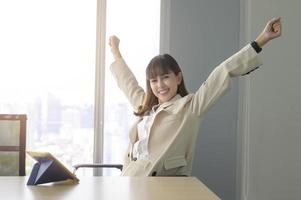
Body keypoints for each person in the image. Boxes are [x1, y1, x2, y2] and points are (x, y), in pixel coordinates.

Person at [108, 17, 281, 176]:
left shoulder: (190, 107)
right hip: (130, 180)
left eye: (165, 77)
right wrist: (115, 50)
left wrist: (262, 39)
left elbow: (222, 72)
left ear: (178, 77)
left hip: (161, 186)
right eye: (153, 80)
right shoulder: (146, 108)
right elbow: (128, 84)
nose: (159, 85)